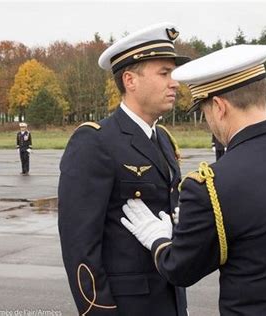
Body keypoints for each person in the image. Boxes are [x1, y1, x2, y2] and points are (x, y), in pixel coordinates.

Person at [120, 45, 266, 315]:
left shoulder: (211, 186)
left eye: (204, 111)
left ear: (218, 107)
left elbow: (180, 269)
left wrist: (159, 239)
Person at [58, 22, 190, 316]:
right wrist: (99, 310)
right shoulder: (95, 141)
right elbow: (80, 245)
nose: (175, 83)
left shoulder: (164, 140)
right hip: (126, 306)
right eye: (164, 73)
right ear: (130, 80)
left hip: (169, 300)